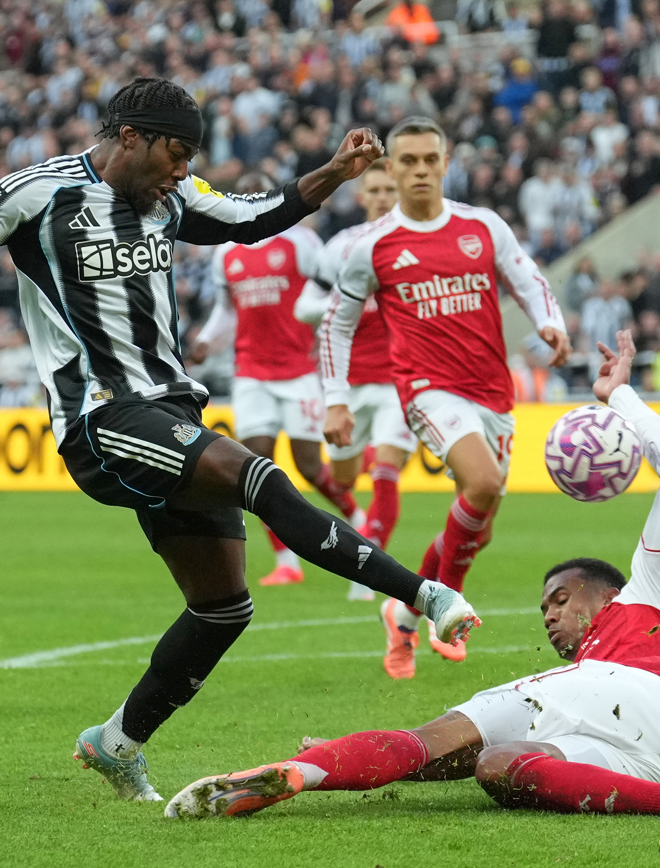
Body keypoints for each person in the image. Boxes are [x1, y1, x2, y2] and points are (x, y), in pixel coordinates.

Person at [0, 78, 479, 804]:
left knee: (223, 607)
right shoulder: (43, 191)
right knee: (261, 478)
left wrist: (334, 175)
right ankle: (424, 594)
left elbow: (252, 217)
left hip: (170, 409)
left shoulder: (169, 196)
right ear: (131, 137)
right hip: (101, 418)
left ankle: (117, 742)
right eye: (176, 154)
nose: (183, 170)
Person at [164, 330, 660, 824]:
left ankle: (319, 766)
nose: (552, 614)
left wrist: (622, 398)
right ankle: (305, 771)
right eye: (544, 609)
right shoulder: (578, 660)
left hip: (624, 693)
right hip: (622, 740)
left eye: (561, 598)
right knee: (490, 763)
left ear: (608, 591)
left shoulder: (648, 593)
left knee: (451, 743)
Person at [318, 117, 570, 680]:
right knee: (481, 484)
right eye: (408, 161)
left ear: (445, 162)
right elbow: (336, 324)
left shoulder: (482, 227)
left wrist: (549, 322)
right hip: (425, 389)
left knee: (480, 527)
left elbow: (527, 278)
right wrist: (335, 399)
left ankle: (402, 613)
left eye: (430, 159)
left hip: (492, 391)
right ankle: (444, 606)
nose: (421, 170)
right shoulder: (373, 246)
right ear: (391, 169)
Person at [188, 175, 360, 587]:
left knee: (309, 465)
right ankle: (287, 561)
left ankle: (357, 518)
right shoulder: (226, 254)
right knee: (254, 468)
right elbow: (226, 313)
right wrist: (207, 341)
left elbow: (325, 295)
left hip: (299, 370)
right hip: (250, 372)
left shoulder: (301, 243)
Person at [297, 162, 427, 623]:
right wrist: (346, 303)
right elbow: (303, 306)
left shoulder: (418, 243)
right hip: (347, 385)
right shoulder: (342, 247)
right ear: (363, 195)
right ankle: (362, 503)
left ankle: (367, 570)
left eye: (391, 188)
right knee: (347, 476)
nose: (383, 195)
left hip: (400, 380)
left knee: (388, 471)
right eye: (374, 188)